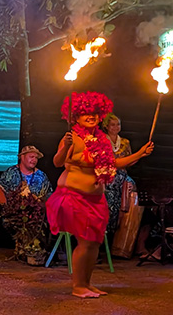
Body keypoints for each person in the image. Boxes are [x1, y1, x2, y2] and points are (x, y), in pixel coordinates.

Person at [46, 91, 153, 298]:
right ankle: (78, 286)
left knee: (94, 243)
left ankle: (87, 283)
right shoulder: (72, 138)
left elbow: (113, 164)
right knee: (85, 242)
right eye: (86, 114)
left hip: (97, 199)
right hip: (75, 197)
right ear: (75, 116)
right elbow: (58, 163)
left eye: (95, 113)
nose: (91, 116)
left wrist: (140, 153)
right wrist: (66, 146)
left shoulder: (101, 138)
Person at [0, 145, 53, 252]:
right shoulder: (11, 172)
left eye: (36, 158)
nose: (34, 160)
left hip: (33, 209)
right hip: (13, 207)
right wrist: (5, 205)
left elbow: (48, 195)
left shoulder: (41, 176)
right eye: (31, 157)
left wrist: (39, 204)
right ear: (22, 157)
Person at [101, 113, 136, 234]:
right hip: (108, 177)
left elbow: (128, 161)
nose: (115, 127)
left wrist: (138, 157)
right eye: (112, 125)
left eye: (118, 124)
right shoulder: (102, 141)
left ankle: (122, 232)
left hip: (122, 176)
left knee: (131, 191)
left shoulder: (125, 142)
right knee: (109, 206)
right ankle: (107, 234)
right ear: (106, 126)